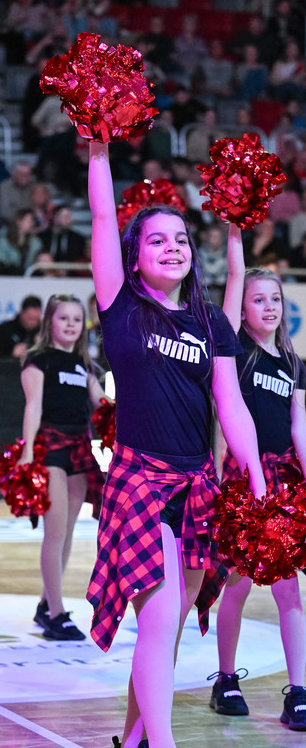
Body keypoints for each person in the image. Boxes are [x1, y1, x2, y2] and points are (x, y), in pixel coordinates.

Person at [86, 140, 266, 748]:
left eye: (181, 239)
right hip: (140, 479)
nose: (172, 247)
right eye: (157, 239)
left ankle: (134, 741)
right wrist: (98, 149)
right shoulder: (121, 302)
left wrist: (259, 483)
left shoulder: (210, 321)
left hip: (197, 483)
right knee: (159, 619)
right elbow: (103, 218)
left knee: (170, 623)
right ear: (135, 256)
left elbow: (231, 405)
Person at [207, 225, 306, 729]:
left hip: (285, 483)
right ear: (242, 309)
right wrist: (236, 233)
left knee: (290, 592)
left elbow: (299, 425)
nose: (268, 307)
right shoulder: (233, 351)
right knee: (239, 586)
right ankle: (226, 678)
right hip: (245, 482)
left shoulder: (293, 362)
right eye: (258, 299)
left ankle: (300, 692)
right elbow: (233, 282)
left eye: (276, 299)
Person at [18, 294, 106, 641]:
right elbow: (33, 407)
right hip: (50, 447)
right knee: (54, 533)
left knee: (69, 532)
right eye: (63, 318)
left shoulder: (86, 365)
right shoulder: (37, 360)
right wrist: (27, 453)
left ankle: (46, 604)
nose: (70, 325)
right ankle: (56, 613)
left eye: (75, 319)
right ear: (50, 323)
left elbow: (102, 405)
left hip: (80, 448)